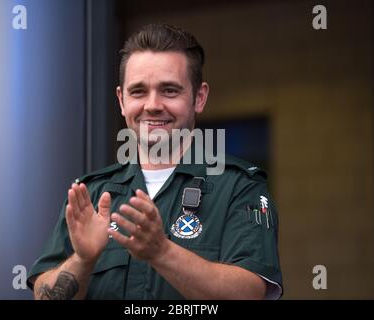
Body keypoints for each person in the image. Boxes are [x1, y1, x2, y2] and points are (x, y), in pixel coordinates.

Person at [27, 23, 283, 300]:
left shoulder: (239, 187)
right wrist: (83, 260)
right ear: (121, 100)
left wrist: (162, 252)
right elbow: (45, 296)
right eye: (138, 91)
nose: (152, 105)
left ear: (199, 97)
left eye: (169, 91)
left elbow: (248, 294)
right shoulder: (91, 194)